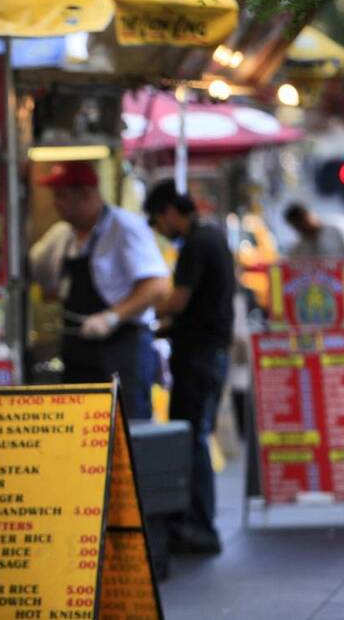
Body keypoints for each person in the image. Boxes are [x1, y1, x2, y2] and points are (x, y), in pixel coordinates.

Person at [28, 161, 169, 418]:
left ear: (86, 194)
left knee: (126, 424)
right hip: (78, 349)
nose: (56, 203)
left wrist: (112, 317)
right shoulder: (63, 235)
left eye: (61, 196)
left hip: (123, 348)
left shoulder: (125, 228)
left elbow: (158, 286)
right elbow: (34, 271)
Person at [145, 180, 236, 554]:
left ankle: (200, 526)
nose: (161, 231)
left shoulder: (197, 243)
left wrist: (138, 308)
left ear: (169, 212)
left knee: (192, 435)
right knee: (195, 434)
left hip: (200, 356)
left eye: (158, 222)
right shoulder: (212, 237)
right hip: (207, 351)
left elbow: (177, 302)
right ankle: (196, 522)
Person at [283, 202, 344, 284]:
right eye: (297, 227)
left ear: (309, 215)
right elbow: (290, 267)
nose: (302, 229)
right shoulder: (301, 245)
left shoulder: (337, 227)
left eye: (303, 224)